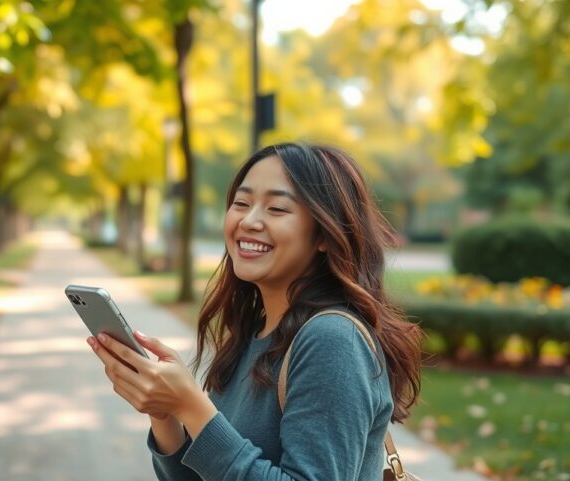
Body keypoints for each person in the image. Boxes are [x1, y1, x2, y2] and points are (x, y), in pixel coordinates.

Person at [87, 142, 422, 481]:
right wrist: (165, 413)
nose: (249, 220)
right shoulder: (253, 334)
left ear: (324, 233)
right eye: (241, 203)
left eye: (276, 208)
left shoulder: (333, 341)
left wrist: (192, 406)